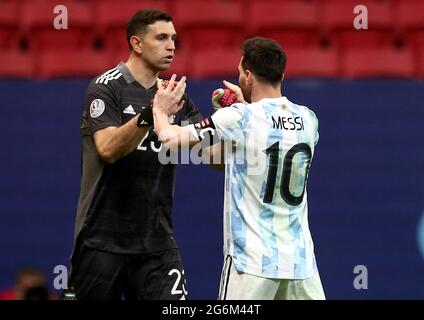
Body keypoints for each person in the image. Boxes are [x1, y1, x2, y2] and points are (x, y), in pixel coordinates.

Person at [151, 37, 325, 300]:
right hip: (301, 265)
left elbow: (169, 139)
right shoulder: (308, 119)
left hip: (252, 265)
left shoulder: (239, 119)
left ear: (247, 74)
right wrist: (243, 109)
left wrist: (160, 109)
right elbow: (267, 136)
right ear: (282, 73)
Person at [68, 9, 202, 300]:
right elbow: (108, 149)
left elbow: (214, 157)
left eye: (174, 39)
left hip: (156, 244)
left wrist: (235, 116)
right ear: (137, 44)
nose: (172, 46)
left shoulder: (174, 96)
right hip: (101, 242)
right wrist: (151, 114)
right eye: (162, 38)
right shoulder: (105, 88)